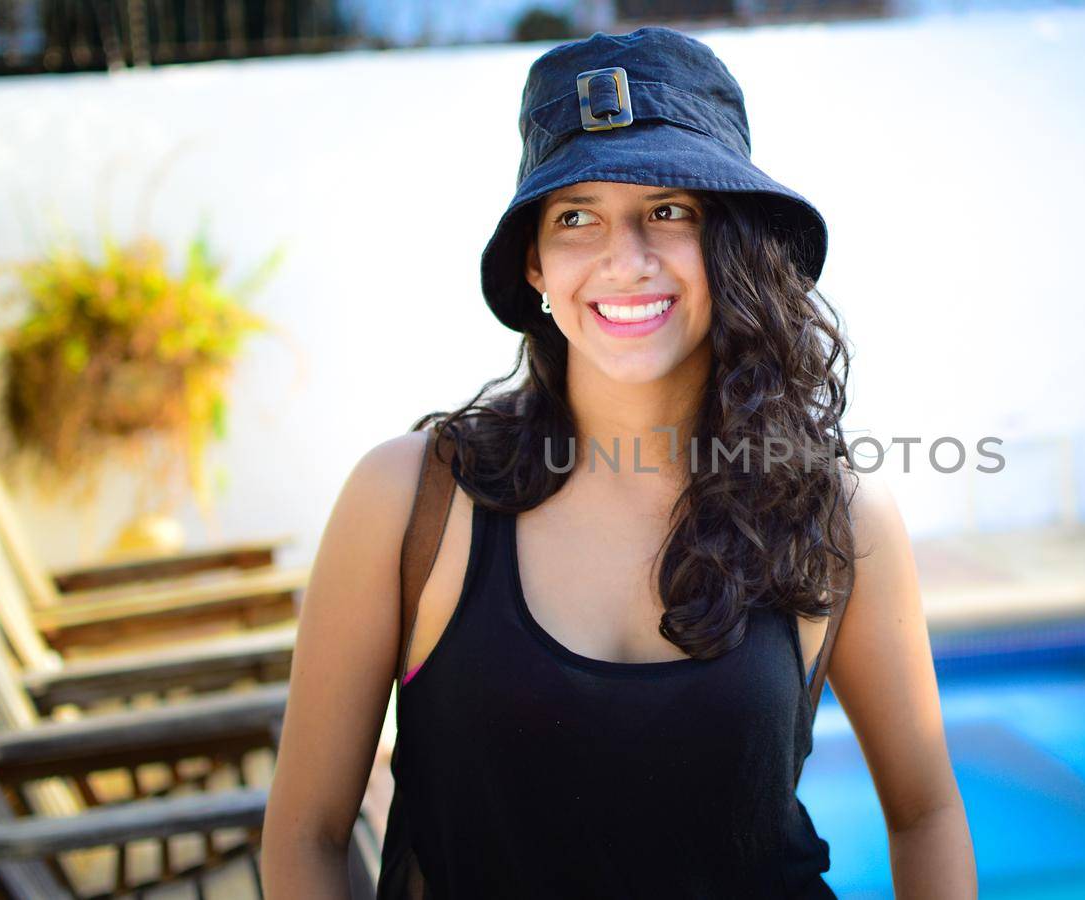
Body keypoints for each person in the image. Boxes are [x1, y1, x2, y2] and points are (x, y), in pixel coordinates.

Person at [260, 26, 974, 898]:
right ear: (535, 264)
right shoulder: (410, 500)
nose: (624, 260)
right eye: (576, 218)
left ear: (734, 241)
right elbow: (306, 835)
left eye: (668, 210)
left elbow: (925, 811)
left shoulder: (838, 516)